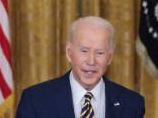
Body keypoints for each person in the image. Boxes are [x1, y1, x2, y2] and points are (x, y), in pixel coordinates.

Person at [16, 16, 145, 117]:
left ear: (110, 57)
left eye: (100, 53)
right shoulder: (35, 100)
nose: (91, 61)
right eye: (84, 51)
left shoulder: (132, 104)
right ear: (69, 52)